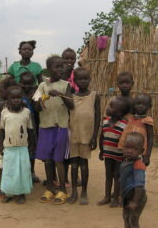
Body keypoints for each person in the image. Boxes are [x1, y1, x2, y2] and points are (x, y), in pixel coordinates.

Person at [34, 55, 74, 205]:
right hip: (45, 127)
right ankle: (50, 187)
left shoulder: (66, 85)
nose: (60, 69)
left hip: (60, 127)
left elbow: (71, 105)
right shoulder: (42, 86)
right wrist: (43, 98)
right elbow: (36, 107)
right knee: (48, 160)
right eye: (57, 67)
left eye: (62, 66)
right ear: (48, 69)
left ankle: (62, 189)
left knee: (59, 160)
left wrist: (61, 95)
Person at [67, 68, 101, 205]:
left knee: (84, 164)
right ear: (74, 81)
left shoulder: (94, 96)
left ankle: (84, 191)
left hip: (87, 136)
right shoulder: (71, 97)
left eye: (86, 78)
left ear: (90, 79)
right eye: (80, 79)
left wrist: (94, 137)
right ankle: (74, 191)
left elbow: (97, 116)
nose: (83, 81)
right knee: (73, 165)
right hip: (73, 135)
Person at [0, 86, 36, 204]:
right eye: (13, 97)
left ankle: (21, 193)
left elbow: (30, 130)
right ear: (8, 99)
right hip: (9, 147)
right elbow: (1, 130)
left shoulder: (26, 112)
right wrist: (1, 144)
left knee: (22, 171)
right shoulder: (4, 113)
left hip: (22, 147)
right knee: (9, 171)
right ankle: (9, 193)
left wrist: (31, 145)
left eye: (19, 97)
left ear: (22, 99)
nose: (16, 100)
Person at [98, 96, 130, 207]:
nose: (108, 108)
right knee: (108, 175)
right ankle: (107, 197)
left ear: (119, 112)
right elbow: (102, 137)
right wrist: (101, 151)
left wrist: (126, 154)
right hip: (108, 154)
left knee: (117, 175)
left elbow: (126, 141)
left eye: (111, 107)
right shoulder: (105, 121)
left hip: (119, 155)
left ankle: (115, 198)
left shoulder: (124, 124)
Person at [120, 132, 147, 228]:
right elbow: (122, 181)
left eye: (134, 149)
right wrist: (121, 196)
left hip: (137, 197)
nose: (129, 151)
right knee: (126, 216)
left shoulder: (138, 166)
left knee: (133, 219)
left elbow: (139, 186)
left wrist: (135, 201)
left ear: (141, 151)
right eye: (127, 147)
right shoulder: (125, 162)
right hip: (127, 196)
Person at [119, 93, 154, 166]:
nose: (141, 106)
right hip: (127, 152)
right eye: (138, 104)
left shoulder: (147, 120)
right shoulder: (130, 118)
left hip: (139, 153)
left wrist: (147, 156)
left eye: (144, 105)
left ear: (149, 106)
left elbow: (150, 138)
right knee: (126, 170)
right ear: (134, 105)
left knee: (138, 171)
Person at [19, 71, 40, 183]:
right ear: (19, 83)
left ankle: (32, 172)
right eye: (24, 83)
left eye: (29, 84)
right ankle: (22, 173)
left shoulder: (36, 94)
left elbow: (38, 110)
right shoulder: (17, 94)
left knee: (32, 149)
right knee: (20, 149)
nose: (26, 86)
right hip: (19, 128)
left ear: (33, 84)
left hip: (33, 126)